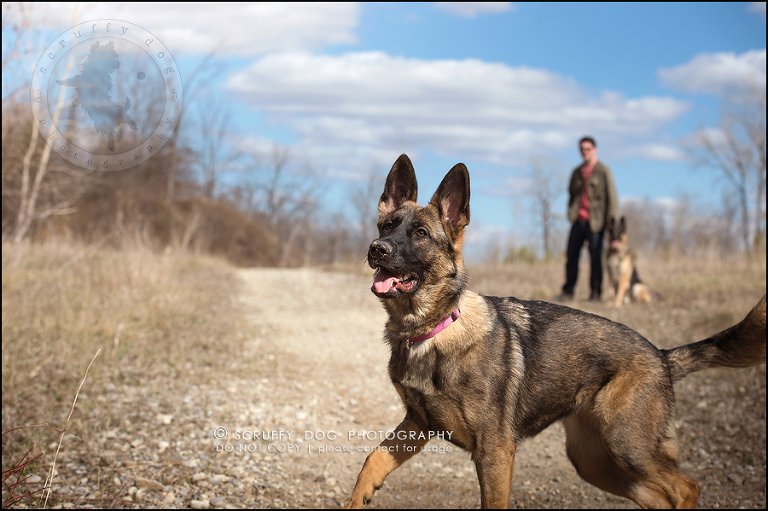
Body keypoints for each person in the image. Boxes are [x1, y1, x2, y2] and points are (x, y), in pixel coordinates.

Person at [557, 136, 618, 302]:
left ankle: (595, 293)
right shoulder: (577, 172)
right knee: (571, 257)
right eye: (582, 149)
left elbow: (612, 198)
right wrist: (571, 213)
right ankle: (568, 291)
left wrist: (612, 226)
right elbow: (571, 194)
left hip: (596, 222)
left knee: (596, 257)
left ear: (595, 150)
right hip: (578, 220)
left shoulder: (603, 171)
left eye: (588, 149)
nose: (585, 152)